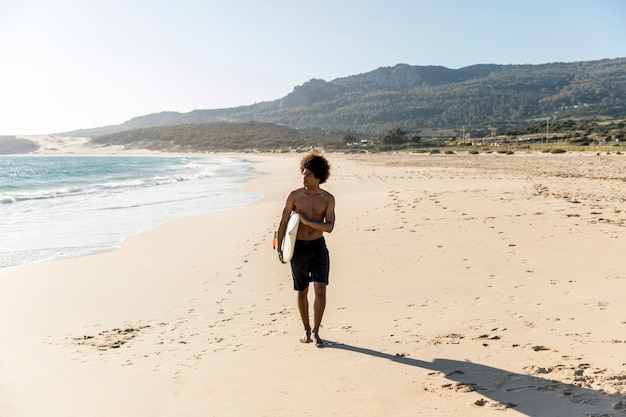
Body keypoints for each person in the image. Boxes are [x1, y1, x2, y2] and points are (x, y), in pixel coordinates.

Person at [277, 153, 335, 348]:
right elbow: (284, 221)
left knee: (320, 290)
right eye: (303, 173)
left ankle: (317, 331)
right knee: (302, 291)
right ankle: (306, 330)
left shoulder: (327, 199)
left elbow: (329, 227)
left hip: (318, 248)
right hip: (298, 247)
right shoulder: (294, 196)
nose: (304, 177)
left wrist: (307, 221)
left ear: (318, 177)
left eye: (308, 174)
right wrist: (280, 246)